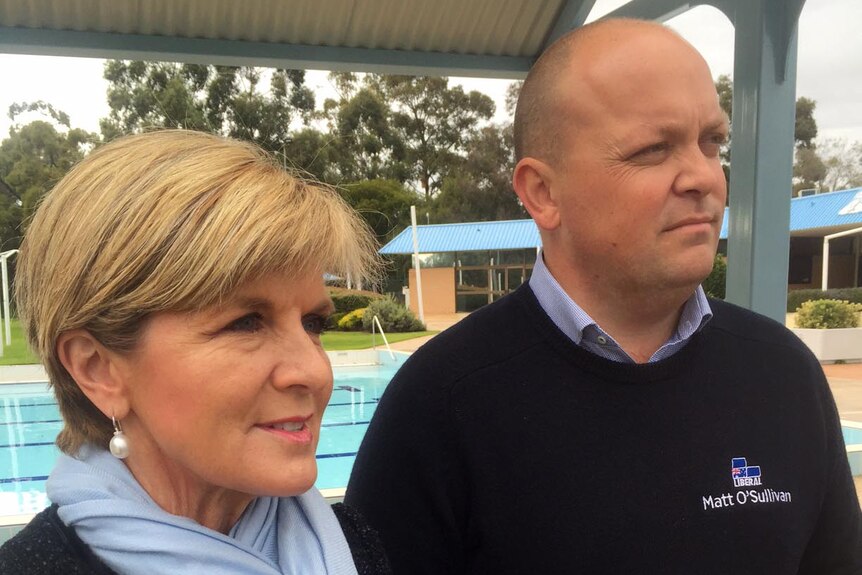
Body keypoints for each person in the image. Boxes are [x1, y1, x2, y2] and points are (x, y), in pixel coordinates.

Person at [345, 18, 862, 574]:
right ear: (542, 192)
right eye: (652, 150)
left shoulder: (784, 374)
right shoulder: (439, 405)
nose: (703, 178)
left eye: (711, 143)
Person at [0, 130, 390, 574]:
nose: (315, 372)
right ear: (98, 369)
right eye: (245, 323)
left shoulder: (351, 543)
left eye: (312, 323)